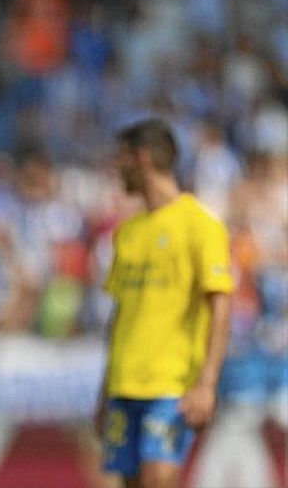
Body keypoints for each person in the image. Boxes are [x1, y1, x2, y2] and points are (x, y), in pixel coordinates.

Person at [95, 119, 234, 488]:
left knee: (160, 480)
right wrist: (103, 392)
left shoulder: (200, 225)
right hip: (125, 384)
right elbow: (121, 314)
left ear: (142, 158)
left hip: (171, 384)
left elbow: (221, 306)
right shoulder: (127, 232)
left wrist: (207, 383)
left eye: (121, 158)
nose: (116, 168)